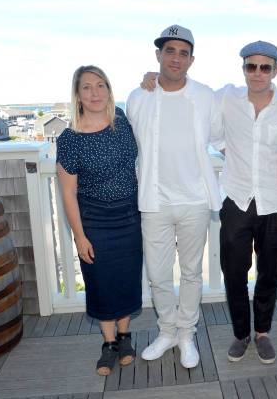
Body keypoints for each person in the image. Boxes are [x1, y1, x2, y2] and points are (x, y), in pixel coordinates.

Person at [126, 25, 222, 369]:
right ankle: (167, 330)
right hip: (154, 201)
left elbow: (225, 135)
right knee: (158, 274)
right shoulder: (138, 97)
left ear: (192, 60)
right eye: (170, 51)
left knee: (192, 272)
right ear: (158, 56)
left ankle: (186, 334)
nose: (176, 58)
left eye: (183, 53)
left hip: (195, 200)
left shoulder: (207, 95)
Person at [217, 42, 277, 364]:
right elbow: (189, 96)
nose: (257, 73)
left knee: (268, 273)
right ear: (243, 69)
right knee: (234, 272)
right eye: (250, 66)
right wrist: (155, 78)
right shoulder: (226, 98)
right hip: (237, 200)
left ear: (275, 71)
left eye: (264, 67)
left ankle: (262, 332)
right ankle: (241, 333)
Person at [56, 65, 142, 376]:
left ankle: (125, 336)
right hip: (94, 220)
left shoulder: (122, 121)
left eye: (101, 85)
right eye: (87, 87)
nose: (95, 93)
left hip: (130, 216)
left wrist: (149, 81)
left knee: (126, 278)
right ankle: (109, 344)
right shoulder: (69, 139)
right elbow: (68, 193)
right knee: (101, 282)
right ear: (77, 95)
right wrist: (79, 236)